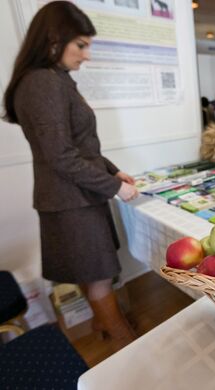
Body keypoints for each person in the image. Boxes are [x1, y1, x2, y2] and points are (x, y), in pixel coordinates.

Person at [2, 1, 138, 349]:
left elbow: (79, 146)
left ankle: (104, 327)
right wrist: (113, 187)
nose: (86, 55)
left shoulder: (54, 79)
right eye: (80, 44)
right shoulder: (41, 83)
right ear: (53, 40)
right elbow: (61, 156)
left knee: (94, 274)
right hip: (69, 201)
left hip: (74, 197)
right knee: (99, 277)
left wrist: (113, 170)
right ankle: (128, 348)